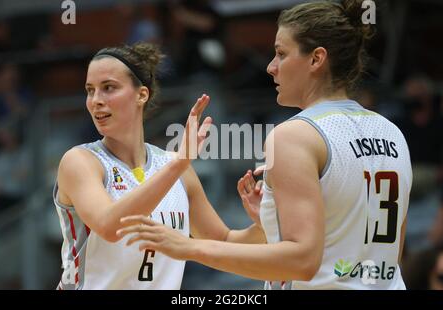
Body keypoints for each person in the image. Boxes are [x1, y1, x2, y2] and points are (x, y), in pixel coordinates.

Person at [117, 0, 412, 289]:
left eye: (281, 54)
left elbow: (302, 262)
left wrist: (187, 248)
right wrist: (270, 224)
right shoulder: (392, 132)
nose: (271, 67)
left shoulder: (294, 136)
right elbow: (383, 253)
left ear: (316, 59)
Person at [54, 42, 265, 289]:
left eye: (108, 88)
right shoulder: (80, 161)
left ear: (141, 95)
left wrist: (262, 224)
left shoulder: (177, 168)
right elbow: (110, 227)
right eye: (90, 90)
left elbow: (223, 242)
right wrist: (179, 162)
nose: (96, 101)